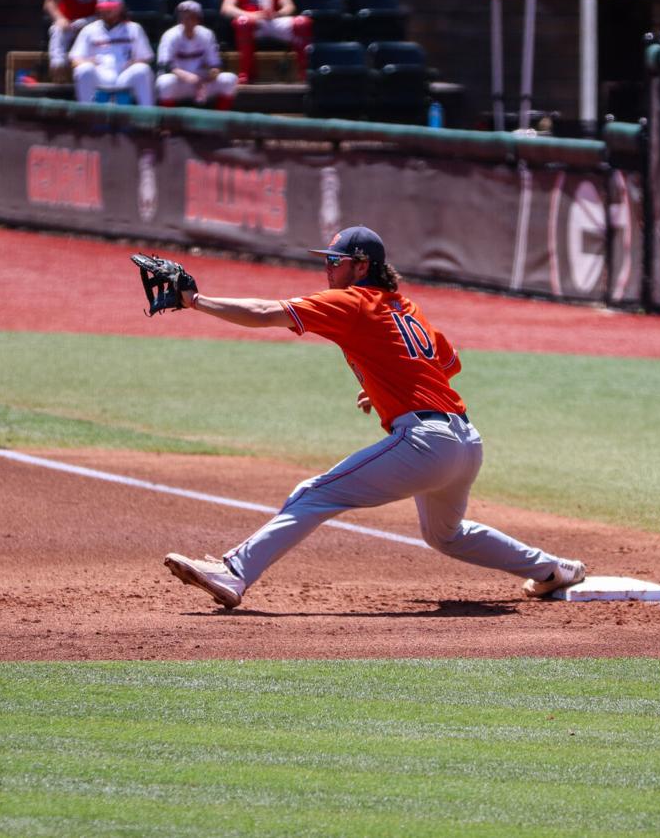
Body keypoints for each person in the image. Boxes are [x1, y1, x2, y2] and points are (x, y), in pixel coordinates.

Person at [160, 225, 587, 609]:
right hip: (466, 441)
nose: (327, 270)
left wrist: (195, 300)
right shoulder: (406, 307)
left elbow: (264, 313)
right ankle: (553, 570)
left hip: (426, 444)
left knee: (315, 493)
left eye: (335, 262)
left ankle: (233, 571)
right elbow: (448, 363)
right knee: (445, 534)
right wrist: (386, 383)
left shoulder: (352, 302)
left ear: (361, 266)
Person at [221, 0, 313, 83]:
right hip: (253, 24)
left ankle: (304, 72)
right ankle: (247, 73)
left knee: (302, 22)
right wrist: (251, 15)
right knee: (242, 22)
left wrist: (277, 13)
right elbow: (227, 8)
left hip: (273, 20)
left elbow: (289, 6)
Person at [69, 0, 155, 106]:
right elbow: (75, 59)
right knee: (83, 69)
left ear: (121, 8)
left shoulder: (134, 28)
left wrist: (134, 62)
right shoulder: (89, 29)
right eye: (103, 7)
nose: (107, 10)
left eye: (112, 7)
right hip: (100, 74)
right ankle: (86, 114)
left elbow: (146, 57)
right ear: (98, 8)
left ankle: (147, 117)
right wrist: (87, 61)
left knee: (142, 69)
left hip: (124, 74)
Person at [156, 1, 239, 110]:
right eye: (183, 16)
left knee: (229, 79)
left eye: (190, 16)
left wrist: (210, 76)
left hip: (202, 81)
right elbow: (165, 65)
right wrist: (187, 76)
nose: (185, 19)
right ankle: (167, 122)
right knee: (165, 82)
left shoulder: (206, 34)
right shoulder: (171, 35)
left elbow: (215, 64)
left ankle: (220, 120)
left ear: (198, 19)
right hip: (179, 82)